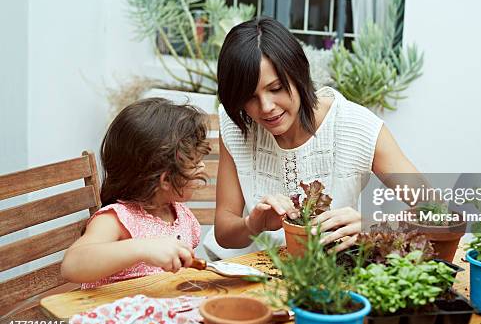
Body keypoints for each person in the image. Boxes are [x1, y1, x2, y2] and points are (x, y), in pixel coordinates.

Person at [203, 16, 421, 260]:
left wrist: (375, 226)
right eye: (249, 97)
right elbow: (224, 232)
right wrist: (254, 224)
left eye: (276, 89)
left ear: (298, 74)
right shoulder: (238, 126)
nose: (266, 107)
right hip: (251, 273)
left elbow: (437, 212)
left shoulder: (357, 126)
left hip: (330, 275)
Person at [61, 98, 211, 288]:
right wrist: (142, 247)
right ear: (165, 179)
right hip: (114, 314)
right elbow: (72, 265)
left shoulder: (180, 215)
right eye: (195, 162)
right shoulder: (117, 219)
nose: (203, 165)